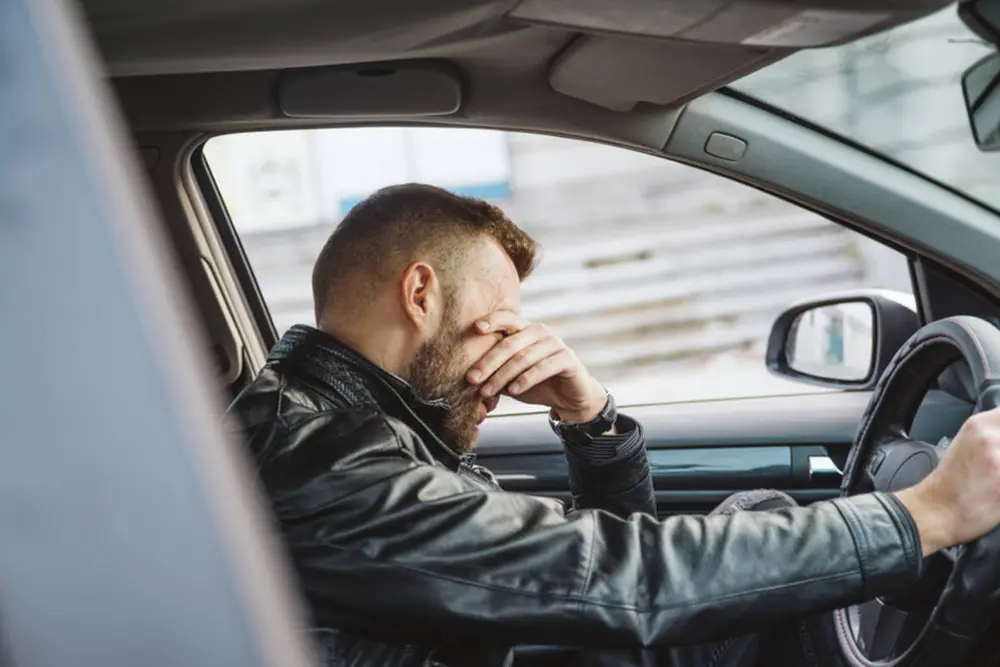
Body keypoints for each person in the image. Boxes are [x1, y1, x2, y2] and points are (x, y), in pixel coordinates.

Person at [227, 183, 1000, 667]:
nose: (515, 351)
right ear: (420, 293)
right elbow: (621, 580)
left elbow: (595, 584)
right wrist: (927, 513)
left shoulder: (348, 427)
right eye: (498, 325)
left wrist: (587, 417)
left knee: (757, 520)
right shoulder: (324, 464)